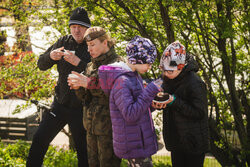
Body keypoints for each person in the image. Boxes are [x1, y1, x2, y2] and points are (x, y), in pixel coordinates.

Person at [26, 7, 91, 167]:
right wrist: (50, 56)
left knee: (84, 152)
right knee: (39, 139)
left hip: (81, 109)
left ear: (87, 28)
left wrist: (79, 63)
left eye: (80, 27)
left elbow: (100, 76)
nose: (77, 30)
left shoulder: (92, 45)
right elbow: (41, 64)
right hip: (59, 106)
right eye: (73, 26)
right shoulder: (63, 41)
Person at [98, 36, 162, 167]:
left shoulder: (134, 76)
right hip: (134, 147)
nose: (150, 67)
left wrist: (152, 104)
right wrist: (150, 91)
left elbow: (138, 105)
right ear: (137, 59)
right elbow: (130, 114)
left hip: (138, 144)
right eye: (148, 63)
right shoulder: (122, 82)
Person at [67, 26, 123, 167]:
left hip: (110, 130)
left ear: (105, 43)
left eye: (92, 45)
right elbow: (86, 99)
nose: (89, 49)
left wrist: (89, 83)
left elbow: (115, 93)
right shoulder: (91, 66)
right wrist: (78, 87)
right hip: (91, 128)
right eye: (87, 45)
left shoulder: (117, 63)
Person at [152, 41, 209, 167]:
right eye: (164, 70)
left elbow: (200, 113)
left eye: (169, 72)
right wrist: (160, 104)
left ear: (181, 67)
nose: (166, 74)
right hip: (176, 140)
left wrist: (174, 101)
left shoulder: (195, 83)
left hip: (193, 143)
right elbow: (167, 100)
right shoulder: (168, 77)